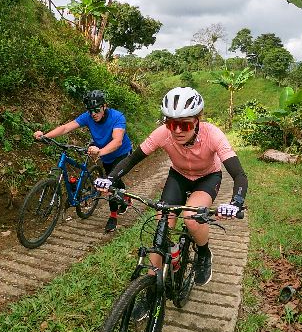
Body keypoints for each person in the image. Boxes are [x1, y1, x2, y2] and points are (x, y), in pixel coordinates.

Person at [95, 86, 247, 295]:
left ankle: (203, 254)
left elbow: (239, 175)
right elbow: (132, 159)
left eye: (183, 125)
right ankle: (150, 287)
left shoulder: (213, 135)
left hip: (207, 178)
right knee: (162, 222)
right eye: (170, 123)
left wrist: (236, 202)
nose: (176, 131)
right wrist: (109, 179)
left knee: (192, 217)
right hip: (179, 176)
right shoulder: (163, 134)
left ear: (197, 121)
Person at [34, 90, 133, 232]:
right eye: (90, 110)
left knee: (111, 180)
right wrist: (45, 136)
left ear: (104, 106)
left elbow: (117, 141)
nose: (93, 114)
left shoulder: (117, 117)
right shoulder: (88, 117)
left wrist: (100, 151)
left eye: (96, 110)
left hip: (122, 154)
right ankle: (125, 195)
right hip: (105, 155)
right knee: (113, 177)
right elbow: (66, 127)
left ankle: (113, 216)